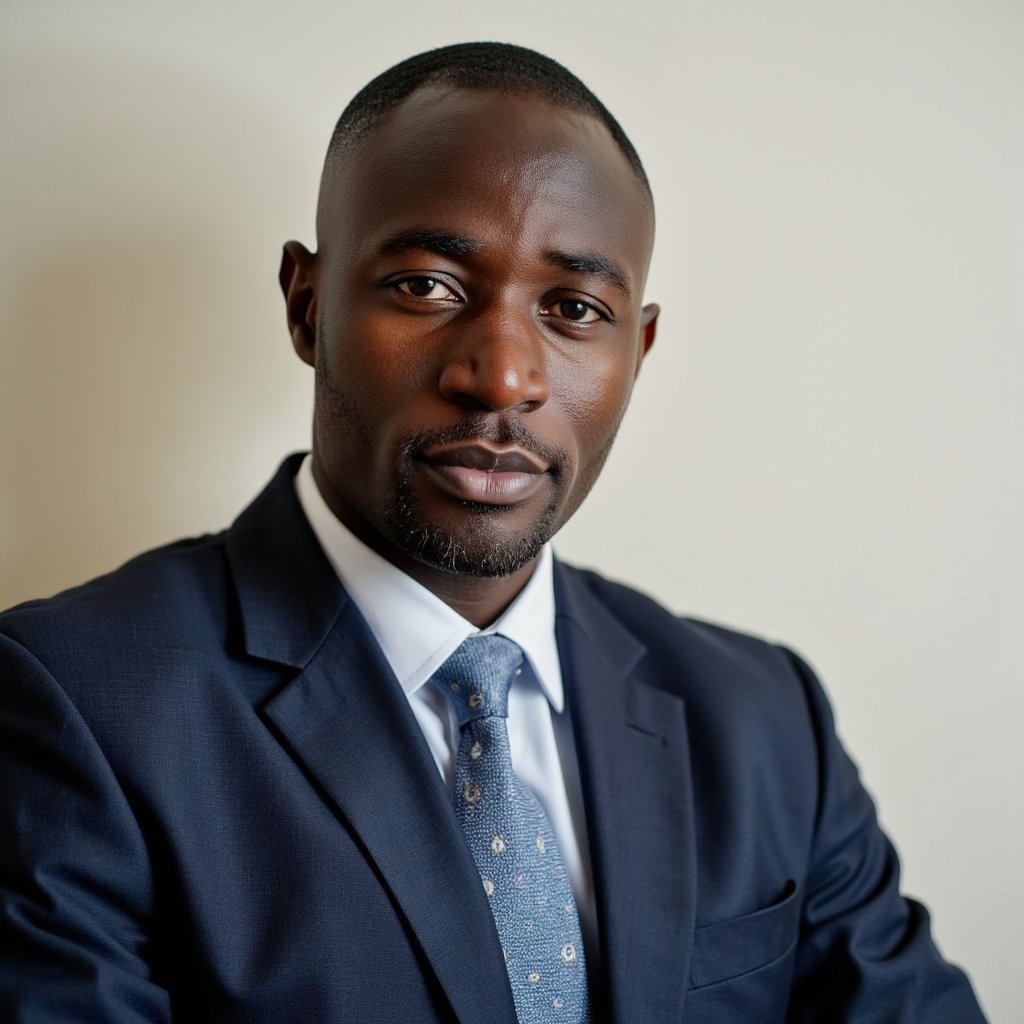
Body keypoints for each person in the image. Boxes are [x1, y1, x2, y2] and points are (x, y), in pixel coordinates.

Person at [0, 42, 985, 1024]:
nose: (504, 376)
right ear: (307, 306)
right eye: (428, 285)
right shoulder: (75, 703)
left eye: (573, 308)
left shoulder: (767, 724)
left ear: (634, 352)